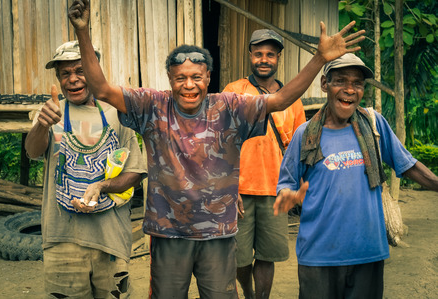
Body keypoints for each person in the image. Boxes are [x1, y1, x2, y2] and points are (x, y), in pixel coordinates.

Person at [68, 0, 365, 297]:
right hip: (169, 234)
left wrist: (318, 59)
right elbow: (102, 89)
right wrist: (82, 31)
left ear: (208, 78)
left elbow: (280, 100)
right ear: (170, 79)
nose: (189, 85)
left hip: (218, 235)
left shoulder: (229, 107)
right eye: (180, 78)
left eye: (196, 77)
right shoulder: (152, 106)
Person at [274, 53, 438, 299]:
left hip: (367, 251)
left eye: (357, 83)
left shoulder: (374, 124)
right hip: (318, 254)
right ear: (324, 84)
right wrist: (287, 195)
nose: (349, 90)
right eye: (340, 81)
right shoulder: (304, 134)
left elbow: (407, 165)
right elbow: (286, 183)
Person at [25, 40, 147, 298]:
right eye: (65, 73)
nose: (73, 79)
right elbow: (32, 151)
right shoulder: (49, 113)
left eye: (80, 71)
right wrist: (41, 126)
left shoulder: (117, 114)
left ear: (93, 72)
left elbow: (135, 172)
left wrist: (102, 186)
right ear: (58, 78)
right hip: (61, 240)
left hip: (110, 240)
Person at [223, 29, 306, 299]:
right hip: (240, 190)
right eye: (258, 53)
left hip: (276, 190)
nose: (264, 59)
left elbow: (297, 148)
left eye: (270, 54)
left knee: (268, 255)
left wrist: (294, 189)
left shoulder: (293, 99)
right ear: (250, 56)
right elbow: (220, 141)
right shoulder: (234, 91)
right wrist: (227, 185)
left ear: (278, 58)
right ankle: (247, 291)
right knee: (240, 257)